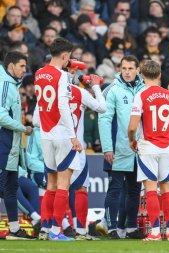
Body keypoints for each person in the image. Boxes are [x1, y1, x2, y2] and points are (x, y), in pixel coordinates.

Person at [33, 38, 82, 241]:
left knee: (51, 185)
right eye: (68, 57)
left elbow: (38, 107)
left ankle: (45, 229)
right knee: (63, 185)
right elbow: (62, 106)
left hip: (45, 134)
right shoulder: (61, 75)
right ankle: (55, 231)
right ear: (64, 55)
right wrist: (73, 136)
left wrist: (40, 124)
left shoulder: (38, 73)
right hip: (62, 134)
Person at [128, 60, 169, 241]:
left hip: (148, 146)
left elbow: (132, 127)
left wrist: (131, 141)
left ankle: (156, 232)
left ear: (142, 76)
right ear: (159, 75)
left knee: (150, 189)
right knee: (167, 190)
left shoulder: (140, 95)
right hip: (166, 147)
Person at [97, 55, 145, 239]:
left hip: (138, 150)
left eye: (130, 69)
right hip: (117, 150)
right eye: (124, 68)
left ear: (138, 70)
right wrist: (107, 148)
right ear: (120, 69)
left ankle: (131, 227)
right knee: (115, 189)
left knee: (134, 190)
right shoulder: (112, 90)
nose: (127, 72)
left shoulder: (144, 89)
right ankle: (111, 228)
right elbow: (104, 119)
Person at [65, 73, 106, 240]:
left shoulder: (49, 90)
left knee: (56, 188)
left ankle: (51, 228)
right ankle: (81, 231)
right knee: (80, 187)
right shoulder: (78, 92)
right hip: (76, 145)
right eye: (74, 70)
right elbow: (101, 107)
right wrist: (95, 86)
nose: (76, 74)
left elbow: (37, 121)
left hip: (53, 142)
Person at [0, 51, 34, 240]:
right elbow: (1, 116)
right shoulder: (5, 84)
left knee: (11, 187)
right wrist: (23, 128)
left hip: (10, 146)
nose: (24, 69)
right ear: (11, 65)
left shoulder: (12, 84)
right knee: (5, 186)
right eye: (21, 66)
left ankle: (14, 229)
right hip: (3, 142)